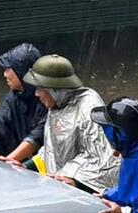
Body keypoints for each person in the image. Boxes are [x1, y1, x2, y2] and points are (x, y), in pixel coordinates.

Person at [23, 54, 119, 192]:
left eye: (40, 88)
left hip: (88, 191)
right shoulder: (57, 106)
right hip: (59, 184)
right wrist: (24, 167)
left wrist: (74, 180)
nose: (36, 94)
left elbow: (103, 158)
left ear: (54, 89)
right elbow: (52, 152)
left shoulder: (88, 106)